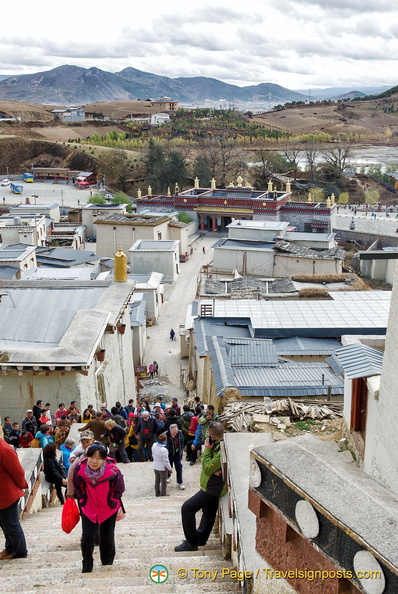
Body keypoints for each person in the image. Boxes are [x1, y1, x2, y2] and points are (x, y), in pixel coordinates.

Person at [73, 442, 125, 573]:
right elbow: (77, 486)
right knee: (87, 536)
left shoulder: (113, 470)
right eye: (92, 457)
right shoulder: (79, 469)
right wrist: (82, 500)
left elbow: (119, 488)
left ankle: (107, 561)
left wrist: (112, 501)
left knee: (107, 534)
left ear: (104, 459)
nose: (94, 461)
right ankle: (87, 563)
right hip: (88, 507)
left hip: (108, 508)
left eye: (98, 458)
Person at [175, 422, 226, 552]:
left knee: (187, 508)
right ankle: (201, 539)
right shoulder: (219, 443)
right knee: (208, 513)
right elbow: (209, 467)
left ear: (212, 435)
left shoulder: (221, 448)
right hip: (211, 485)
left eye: (209, 434)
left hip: (213, 488)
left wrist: (207, 450)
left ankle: (191, 543)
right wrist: (211, 466)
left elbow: (208, 468)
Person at [0, 428, 28, 559]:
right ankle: (10, 548)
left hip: (7, 494)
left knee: (11, 524)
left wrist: (22, 484)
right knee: (4, 524)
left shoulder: (4, 449)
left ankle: (20, 551)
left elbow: (18, 471)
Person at [166, 424, 185, 490]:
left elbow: (182, 442)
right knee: (169, 467)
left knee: (179, 467)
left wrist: (181, 449)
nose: (175, 433)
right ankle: (168, 476)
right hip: (168, 454)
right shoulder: (165, 434)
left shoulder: (179, 434)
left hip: (177, 454)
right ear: (170, 430)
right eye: (173, 432)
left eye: (176, 432)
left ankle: (180, 482)